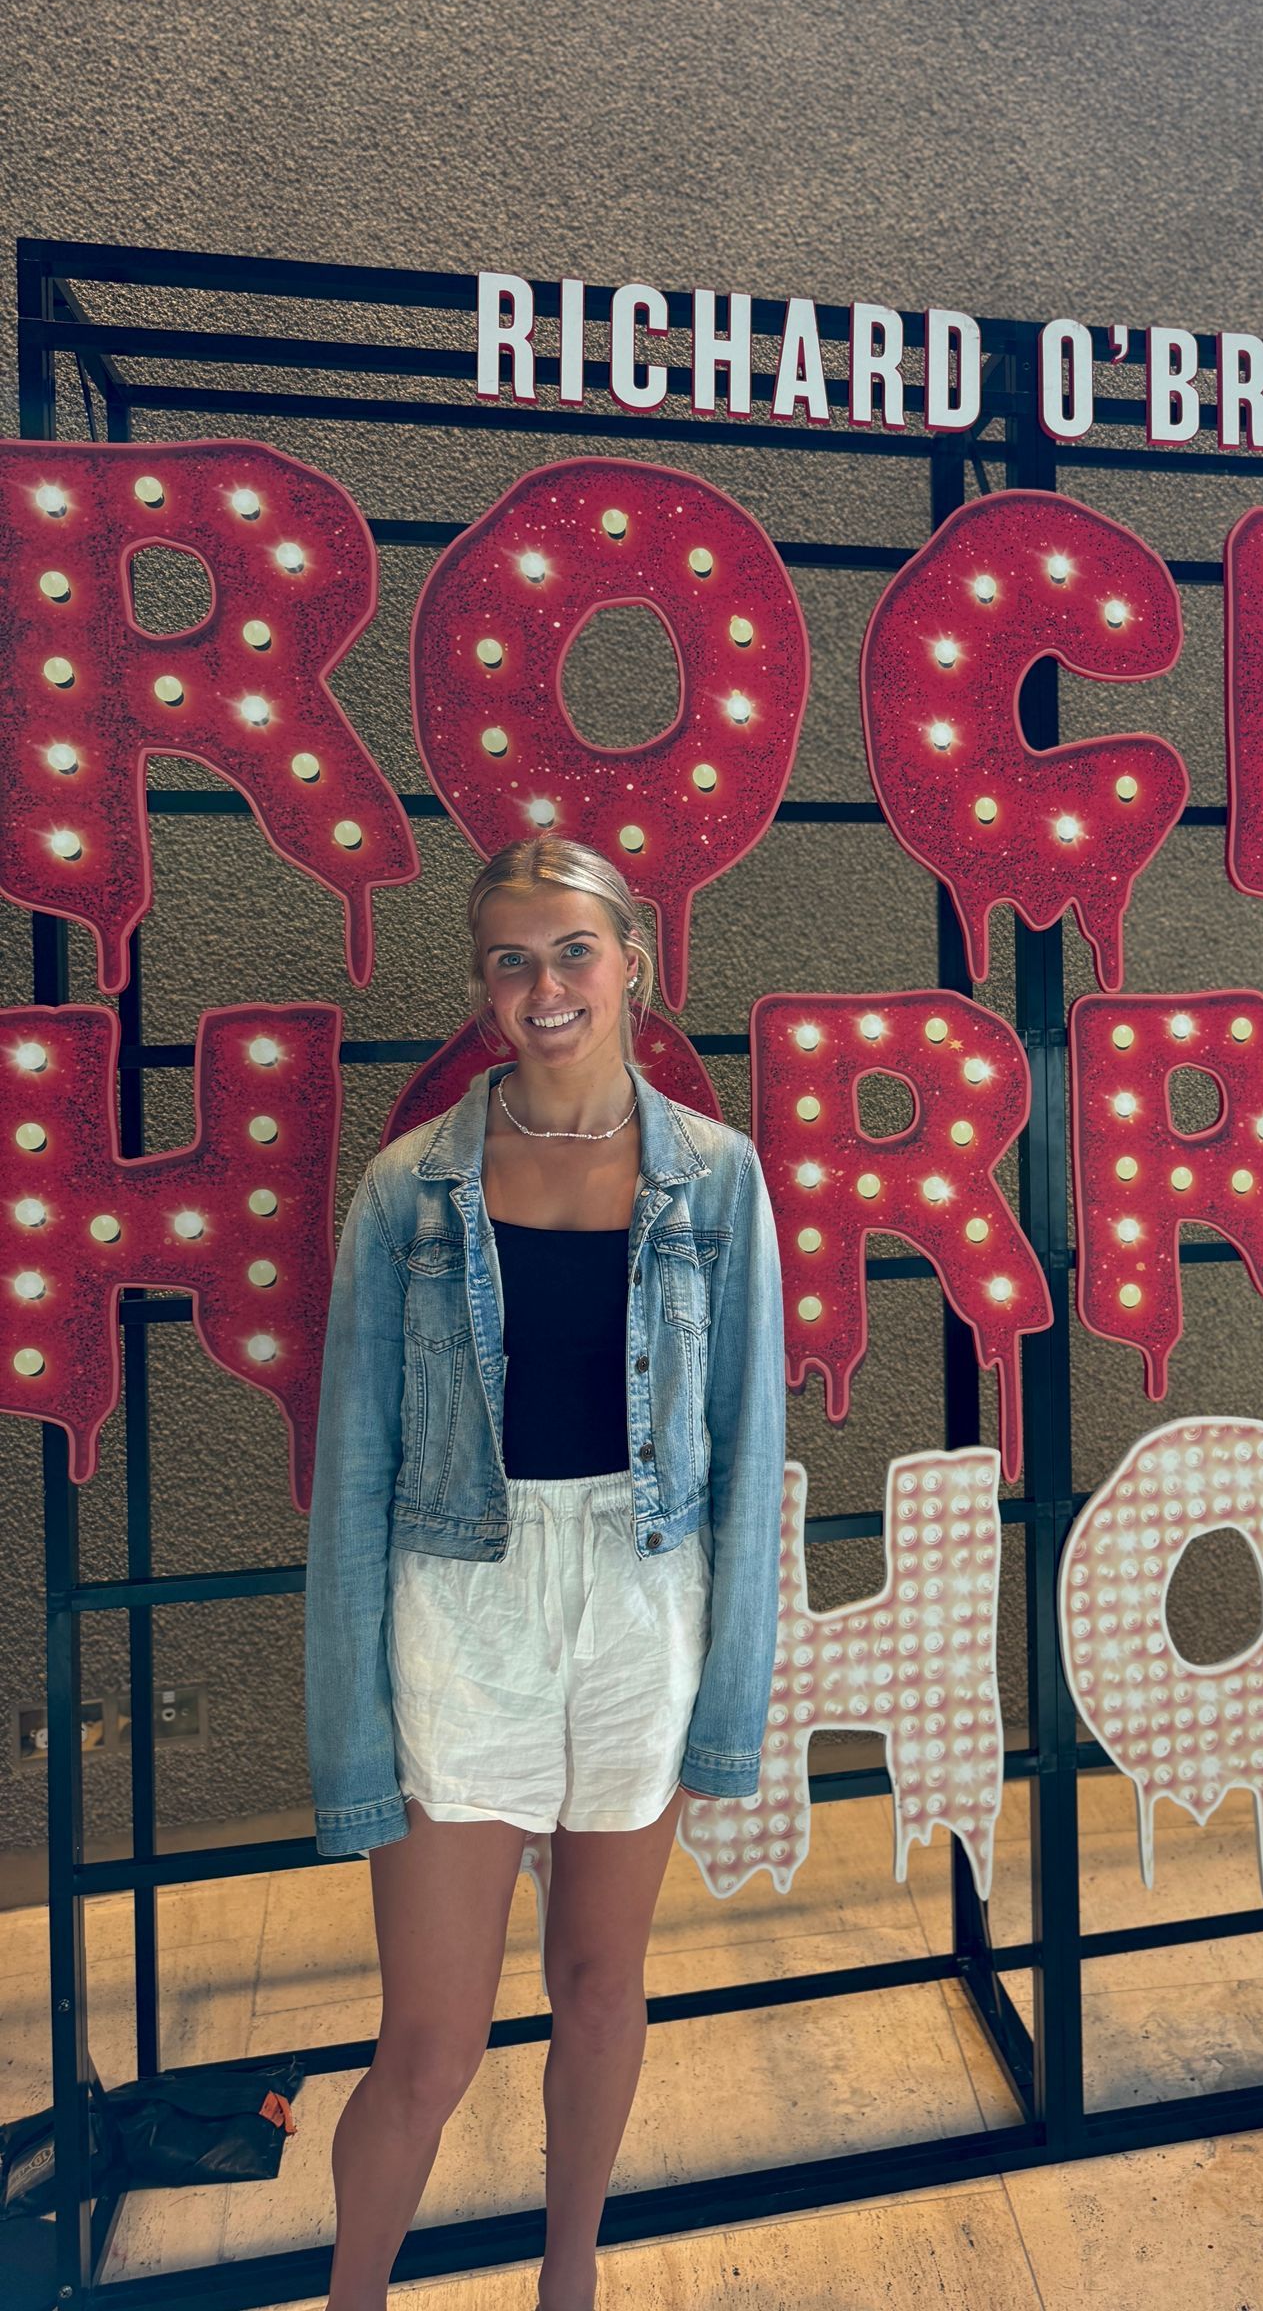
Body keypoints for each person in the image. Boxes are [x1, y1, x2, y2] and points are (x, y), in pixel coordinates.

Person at [303, 833, 787, 2311]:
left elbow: (745, 1453)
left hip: (643, 1601)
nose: (544, 985)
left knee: (599, 1987)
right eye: (511, 960)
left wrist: (731, 1708)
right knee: (430, 2044)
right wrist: (352, 1737)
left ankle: (568, 2278)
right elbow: (352, 1479)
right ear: (480, 989)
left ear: (633, 959)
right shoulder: (407, 1195)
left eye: (572, 949)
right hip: (465, 1600)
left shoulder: (715, 1182)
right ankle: (355, 2297)